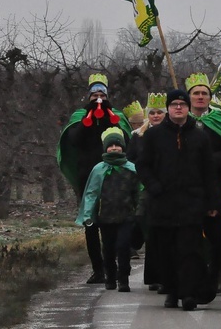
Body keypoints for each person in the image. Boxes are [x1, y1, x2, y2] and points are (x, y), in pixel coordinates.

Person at [137, 89, 219, 311]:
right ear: (168, 108)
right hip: (162, 203)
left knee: (189, 250)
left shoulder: (199, 136)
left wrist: (212, 202)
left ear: (188, 108)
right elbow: (142, 165)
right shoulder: (154, 135)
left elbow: (208, 171)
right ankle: (172, 291)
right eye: (174, 104)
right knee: (165, 251)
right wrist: (154, 187)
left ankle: (188, 293)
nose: (178, 108)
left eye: (182, 104)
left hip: (191, 203)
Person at [56, 73, 131, 284]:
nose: (98, 98)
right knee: (91, 222)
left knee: (113, 221)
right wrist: (88, 119)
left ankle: (112, 265)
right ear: (88, 97)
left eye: (102, 94)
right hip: (87, 176)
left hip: (114, 176)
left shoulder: (115, 114)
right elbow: (74, 140)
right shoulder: (79, 116)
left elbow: (125, 139)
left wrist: (107, 117)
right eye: (94, 95)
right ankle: (98, 269)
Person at [186, 73, 221, 292]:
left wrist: (208, 161)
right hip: (188, 189)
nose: (200, 97)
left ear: (210, 98)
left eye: (204, 93)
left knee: (218, 236)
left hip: (215, 188)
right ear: (189, 97)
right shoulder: (181, 122)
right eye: (196, 93)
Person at [76, 127, 139, 292]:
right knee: (109, 249)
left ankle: (123, 279)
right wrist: (88, 214)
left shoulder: (132, 169)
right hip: (105, 217)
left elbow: (139, 191)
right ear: (105, 148)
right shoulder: (98, 170)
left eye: (117, 146)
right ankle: (110, 277)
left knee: (123, 247)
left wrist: (140, 211)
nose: (114, 148)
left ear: (123, 147)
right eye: (111, 146)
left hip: (126, 215)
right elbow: (91, 194)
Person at [126, 92, 166, 292]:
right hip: (146, 187)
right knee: (149, 229)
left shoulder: (173, 133)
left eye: (160, 112)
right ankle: (154, 275)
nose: (156, 116)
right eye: (153, 113)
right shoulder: (138, 136)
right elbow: (131, 160)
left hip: (169, 186)